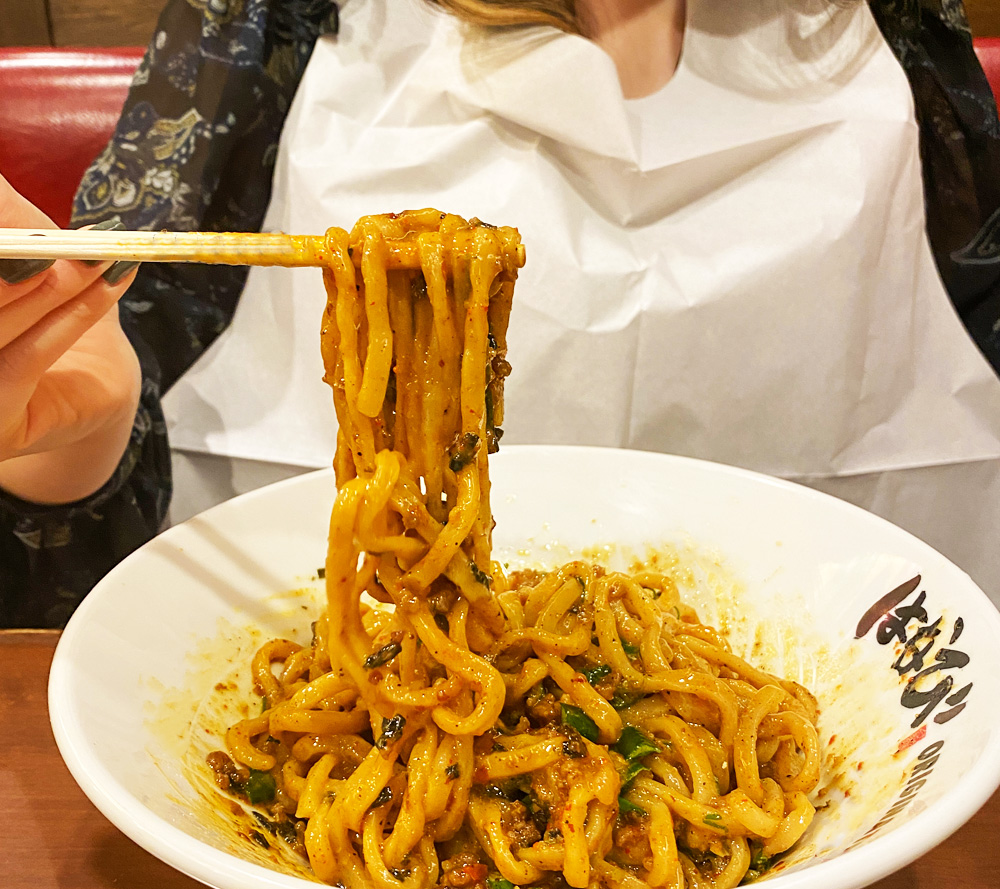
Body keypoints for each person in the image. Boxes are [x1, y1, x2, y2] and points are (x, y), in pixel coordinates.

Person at [3, 0, 1000, 628]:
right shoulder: (267, 16)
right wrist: (68, 428)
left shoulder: (895, 24)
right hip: (333, 647)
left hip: (840, 685)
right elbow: (106, 393)